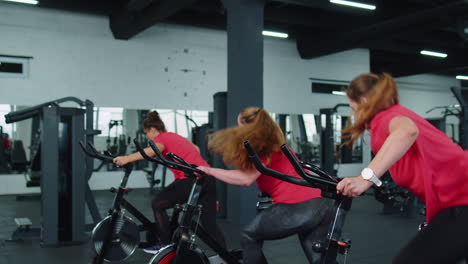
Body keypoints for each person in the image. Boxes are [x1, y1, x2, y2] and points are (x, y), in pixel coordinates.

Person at [336, 73, 468, 264]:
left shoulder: (385, 118)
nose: (353, 113)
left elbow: (407, 131)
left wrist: (365, 178)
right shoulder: (396, 113)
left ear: (363, 101)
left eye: (352, 107)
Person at [197, 107, 334, 264]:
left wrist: (210, 170)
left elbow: (245, 178)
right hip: (320, 204)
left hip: (296, 206)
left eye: (239, 126)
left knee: (250, 235)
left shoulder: (262, 146)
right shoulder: (275, 144)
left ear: (247, 126)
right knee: (319, 259)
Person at [113, 111, 225, 253]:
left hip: (191, 180)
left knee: (158, 204)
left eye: (147, 133)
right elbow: (196, 148)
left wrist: (126, 158)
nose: (147, 136)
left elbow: (153, 150)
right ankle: (226, 257)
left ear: (153, 130)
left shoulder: (162, 138)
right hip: (207, 179)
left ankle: (165, 245)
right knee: (210, 225)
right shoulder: (174, 136)